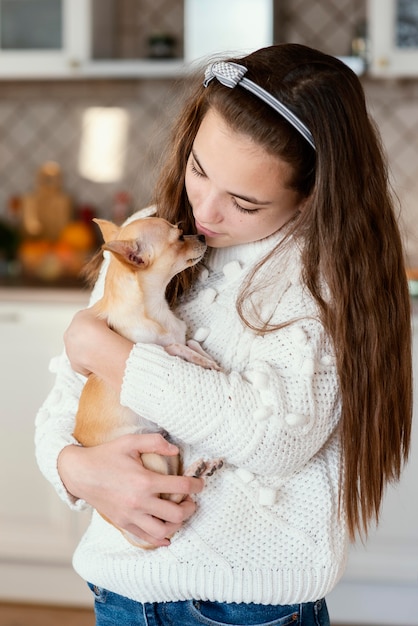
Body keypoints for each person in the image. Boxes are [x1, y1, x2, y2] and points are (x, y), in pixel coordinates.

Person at [35, 43, 412, 626]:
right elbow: (61, 409)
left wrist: (105, 352)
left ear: (312, 196)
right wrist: (74, 468)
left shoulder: (322, 279)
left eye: (243, 201)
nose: (204, 212)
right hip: (117, 593)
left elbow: (273, 439)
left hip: (242, 611)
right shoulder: (152, 236)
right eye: (198, 168)